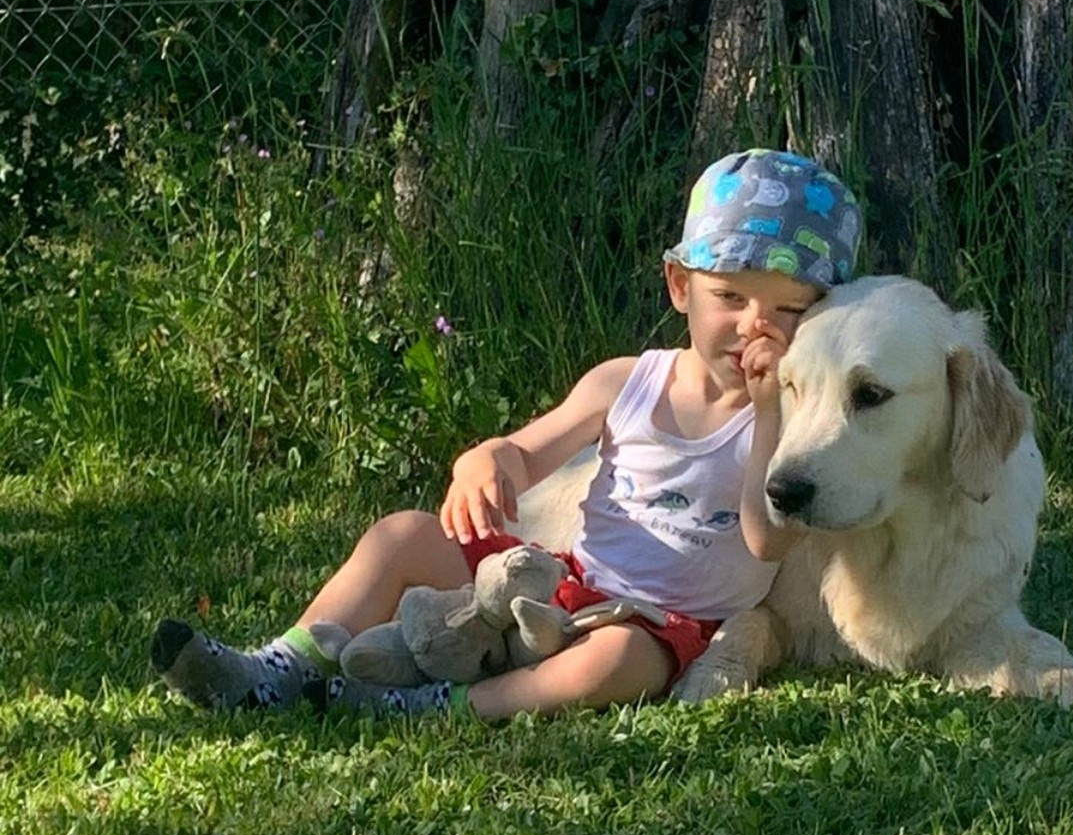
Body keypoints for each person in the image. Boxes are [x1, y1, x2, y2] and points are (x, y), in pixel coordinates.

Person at [150, 149, 863, 721]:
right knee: (402, 532)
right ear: (680, 287)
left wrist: (769, 409)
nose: (752, 325)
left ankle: (436, 705)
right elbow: (527, 451)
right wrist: (485, 459)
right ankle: (279, 666)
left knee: (613, 665)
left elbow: (767, 539)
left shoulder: (797, 417)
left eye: (787, 308)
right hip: (556, 584)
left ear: (821, 314)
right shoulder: (628, 381)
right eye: (729, 297)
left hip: (654, 624)